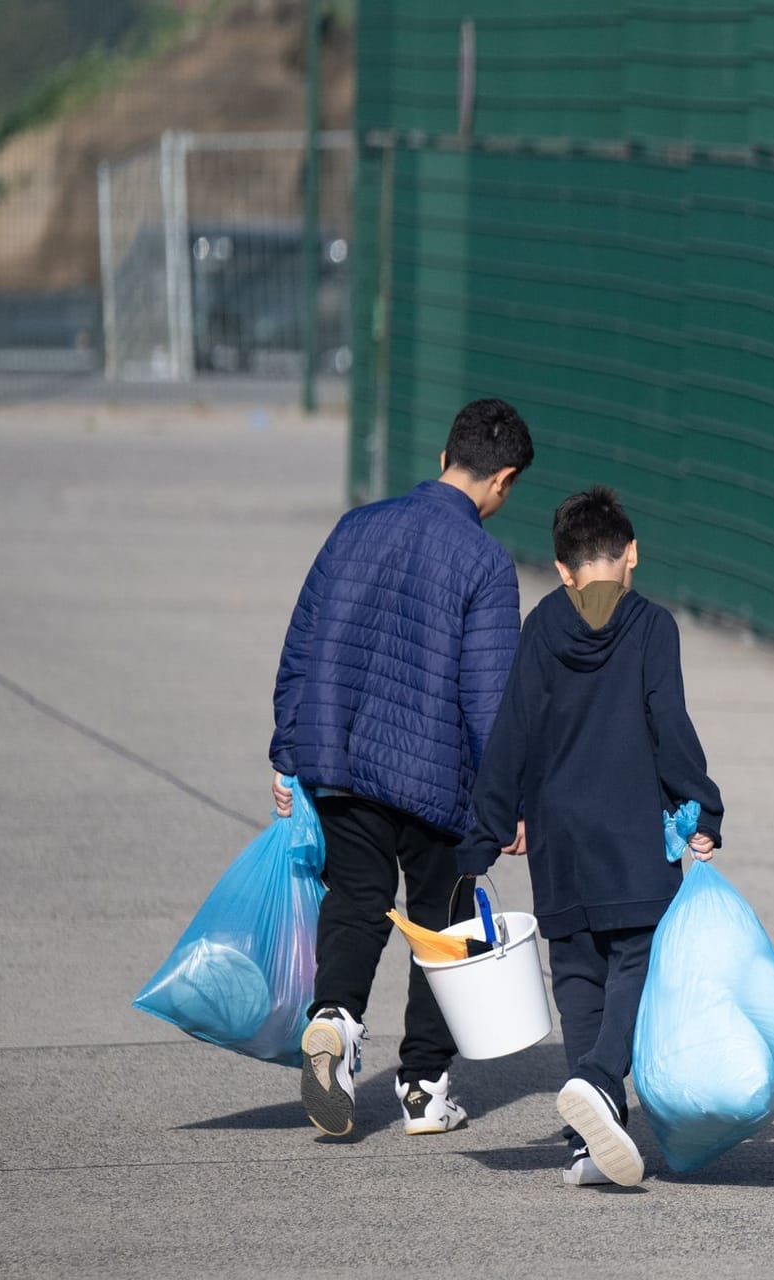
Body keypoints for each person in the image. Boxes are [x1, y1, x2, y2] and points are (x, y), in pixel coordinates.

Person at [270, 397, 533, 1137]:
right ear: (504, 479)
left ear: (442, 457)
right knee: (441, 924)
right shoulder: (485, 561)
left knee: (355, 899)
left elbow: (302, 644)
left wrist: (287, 752)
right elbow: (489, 699)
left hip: (342, 758)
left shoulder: (355, 527)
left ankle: (335, 1023)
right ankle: (424, 1087)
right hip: (436, 774)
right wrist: (506, 797)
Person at [456, 486, 724, 1188]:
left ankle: (586, 1145)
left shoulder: (544, 623)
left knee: (577, 974)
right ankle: (603, 1083)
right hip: (633, 834)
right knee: (637, 958)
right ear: (632, 553)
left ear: (563, 568)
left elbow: (511, 729)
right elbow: (670, 726)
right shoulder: (652, 627)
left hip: (560, 840)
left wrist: (483, 834)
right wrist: (703, 807)